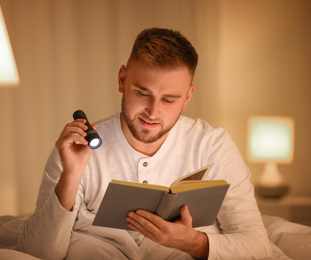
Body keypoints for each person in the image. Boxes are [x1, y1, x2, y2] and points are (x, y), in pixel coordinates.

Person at [19, 28, 272, 259]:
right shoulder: (77, 147)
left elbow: (258, 245)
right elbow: (39, 252)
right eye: (142, 93)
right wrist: (71, 175)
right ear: (122, 80)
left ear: (188, 97)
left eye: (170, 99)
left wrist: (193, 242)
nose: (153, 112)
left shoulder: (212, 144)